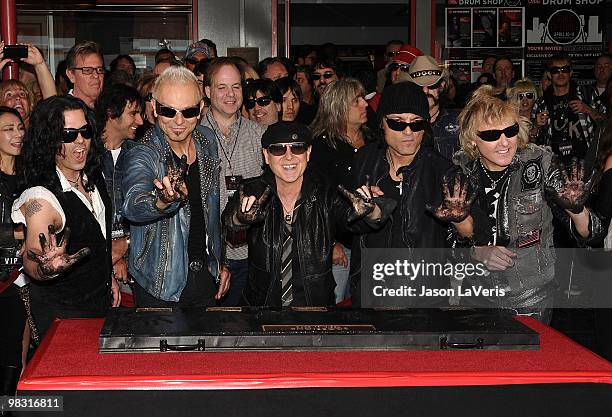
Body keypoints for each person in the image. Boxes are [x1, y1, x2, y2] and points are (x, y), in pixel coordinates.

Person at [450, 85, 603, 323]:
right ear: (473, 142)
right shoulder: (461, 170)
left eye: (510, 131)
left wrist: (577, 209)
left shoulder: (538, 163)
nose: (504, 142)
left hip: (529, 297)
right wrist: (477, 251)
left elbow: (591, 233)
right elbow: (448, 242)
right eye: (491, 135)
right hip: (476, 293)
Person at [223, 121, 392, 307]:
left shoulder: (326, 193)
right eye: (278, 149)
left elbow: (358, 220)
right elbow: (229, 220)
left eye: (297, 149)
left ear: (308, 153)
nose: (289, 157)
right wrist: (240, 217)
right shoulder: (252, 191)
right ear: (266, 155)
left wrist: (372, 210)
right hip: (261, 307)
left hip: (314, 309)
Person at [349, 81, 473, 306]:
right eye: (398, 123)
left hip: (424, 294)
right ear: (382, 124)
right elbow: (346, 225)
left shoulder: (442, 170)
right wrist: (369, 214)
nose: (408, 132)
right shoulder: (364, 161)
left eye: (416, 124)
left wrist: (460, 218)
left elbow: (471, 235)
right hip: (372, 291)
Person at [12, 95, 118, 338]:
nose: (80, 140)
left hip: (98, 309)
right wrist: (46, 268)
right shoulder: (40, 198)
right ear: (49, 141)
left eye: (85, 131)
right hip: (63, 321)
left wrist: (106, 275)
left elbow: (97, 239)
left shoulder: (92, 177)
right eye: (69, 135)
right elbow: (33, 257)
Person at [122, 66, 229, 307]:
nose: (179, 121)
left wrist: (219, 262)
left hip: (205, 277)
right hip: (159, 283)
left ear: (201, 109)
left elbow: (211, 211)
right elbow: (132, 205)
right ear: (154, 108)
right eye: (168, 111)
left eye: (188, 111)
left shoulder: (207, 140)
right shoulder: (143, 152)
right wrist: (161, 201)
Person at [201, 58, 267, 306]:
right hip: (211, 254)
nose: (231, 94)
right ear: (208, 91)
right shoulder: (194, 137)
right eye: (222, 87)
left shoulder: (260, 135)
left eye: (236, 87)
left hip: (253, 255)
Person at [309, 77, 378, 303]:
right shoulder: (321, 147)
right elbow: (314, 197)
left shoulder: (374, 140)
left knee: (369, 305)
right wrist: (330, 243)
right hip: (340, 244)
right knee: (335, 308)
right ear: (338, 107)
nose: (365, 104)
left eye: (363, 99)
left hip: (371, 240)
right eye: (356, 101)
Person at [94, 84, 143, 287]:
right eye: (134, 114)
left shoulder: (141, 156)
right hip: (95, 262)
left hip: (135, 262)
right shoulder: (86, 156)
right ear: (111, 113)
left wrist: (125, 246)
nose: (140, 121)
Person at [0, 107, 31, 398]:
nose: (18, 134)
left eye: (20, 127)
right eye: (8, 129)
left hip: (17, 280)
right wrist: (22, 231)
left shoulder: (28, 175)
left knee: (12, 355)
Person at [531, 53, 606, 162]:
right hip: (553, 164)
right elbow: (531, 140)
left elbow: (606, 122)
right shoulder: (541, 103)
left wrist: (588, 109)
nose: (561, 74)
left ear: (570, 73)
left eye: (564, 69)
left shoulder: (587, 94)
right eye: (555, 70)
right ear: (549, 74)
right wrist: (536, 125)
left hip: (585, 161)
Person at [408, 55, 461, 160]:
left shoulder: (459, 121)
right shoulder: (399, 125)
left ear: (441, 86)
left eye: (431, 85)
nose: (425, 91)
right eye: (419, 86)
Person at [65, 41, 105, 109]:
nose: (96, 75)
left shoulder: (107, 109)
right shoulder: (62, 111)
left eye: (99, 70)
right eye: (87, 70)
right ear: (71, 75)